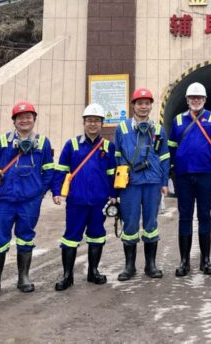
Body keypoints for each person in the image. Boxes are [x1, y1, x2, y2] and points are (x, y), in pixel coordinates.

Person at [0, 100, 54, 297]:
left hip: (29, 201)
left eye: (28, 117)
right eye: (20, 117)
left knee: (25, 237)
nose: (24, 120)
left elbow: (49, 170)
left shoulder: (43, 142)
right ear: (14, 121)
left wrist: (40, 192)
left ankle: (23, 278)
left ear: (34, 119)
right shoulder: (1, 142)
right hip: (4, 200)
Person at [52, 103, 117, 290]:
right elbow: (61, 170)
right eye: (89, 120)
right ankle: (67, 276)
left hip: (99, 201)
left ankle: (93, 272)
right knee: (70, 237)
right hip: (76, 201)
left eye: (96, 121)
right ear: (83, 123)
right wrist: (56, 192)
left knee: (96, 236)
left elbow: (112, 174)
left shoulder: (108, 147)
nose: (93, 124)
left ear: (102, 123)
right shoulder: (71, 145)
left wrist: (113, 195)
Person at [169, 82, 211, 276]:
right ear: (187, 100)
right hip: (183, 176)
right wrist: (170, 175)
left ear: (204, 99)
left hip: (206, 175)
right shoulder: (178, 121)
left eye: (199, 98)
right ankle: (184, 262)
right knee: (185, 217)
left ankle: (206, 260)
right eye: (192, 98)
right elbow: (170, 150)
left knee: (204, 215)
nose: (195, 101)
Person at [114, 88, 169, 280]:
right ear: (133, 105)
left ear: (151, 106)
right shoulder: (122, 128)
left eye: (147, 103)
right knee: (129, 223)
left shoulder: (159, 129)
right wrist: (117, 184)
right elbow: (117, 157)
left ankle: (150, 265)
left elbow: (164, 157)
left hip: (153, 182)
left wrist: (164, 182)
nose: (143, 107)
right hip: (130, 183)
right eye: (140, 103)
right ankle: (129, 267)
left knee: (151, 223)